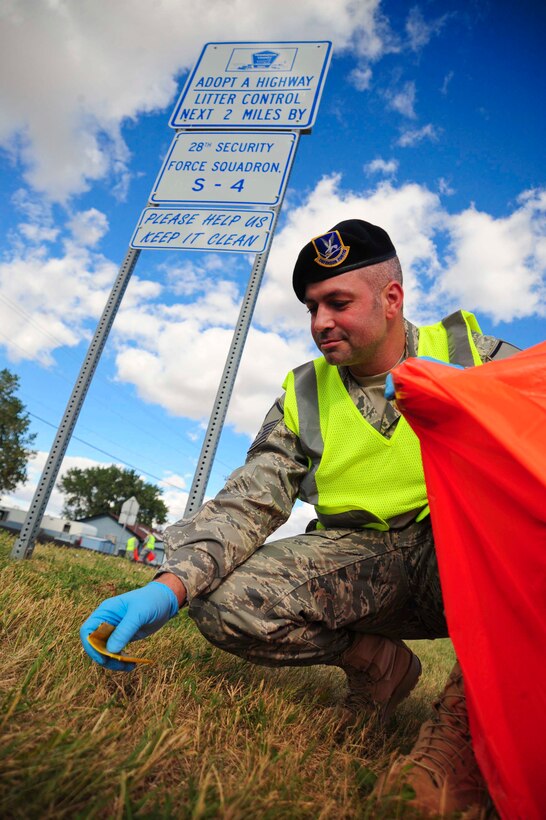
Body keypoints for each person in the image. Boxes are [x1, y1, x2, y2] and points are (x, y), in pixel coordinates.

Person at [80, 219, 519, 817]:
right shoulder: (303, 393)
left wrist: (469, 398)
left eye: (338, 302)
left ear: (392, 299)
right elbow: (249, 500)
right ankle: (380, 666)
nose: (319, 323)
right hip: (362, 562)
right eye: (311, 307)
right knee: (227, 599)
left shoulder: (472, 354)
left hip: (470, 557)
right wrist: (170, 587)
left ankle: (464, 741)